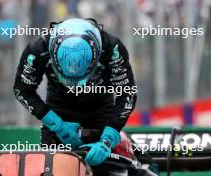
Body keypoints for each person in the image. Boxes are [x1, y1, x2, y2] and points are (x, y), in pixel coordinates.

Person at [13, 18, 137, 175]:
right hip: (59, 111)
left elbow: (127, 92)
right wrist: (56, 124)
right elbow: (22, 89)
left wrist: (108, 138)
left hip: (100, 109)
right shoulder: (38, 50)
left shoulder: (112, 49)